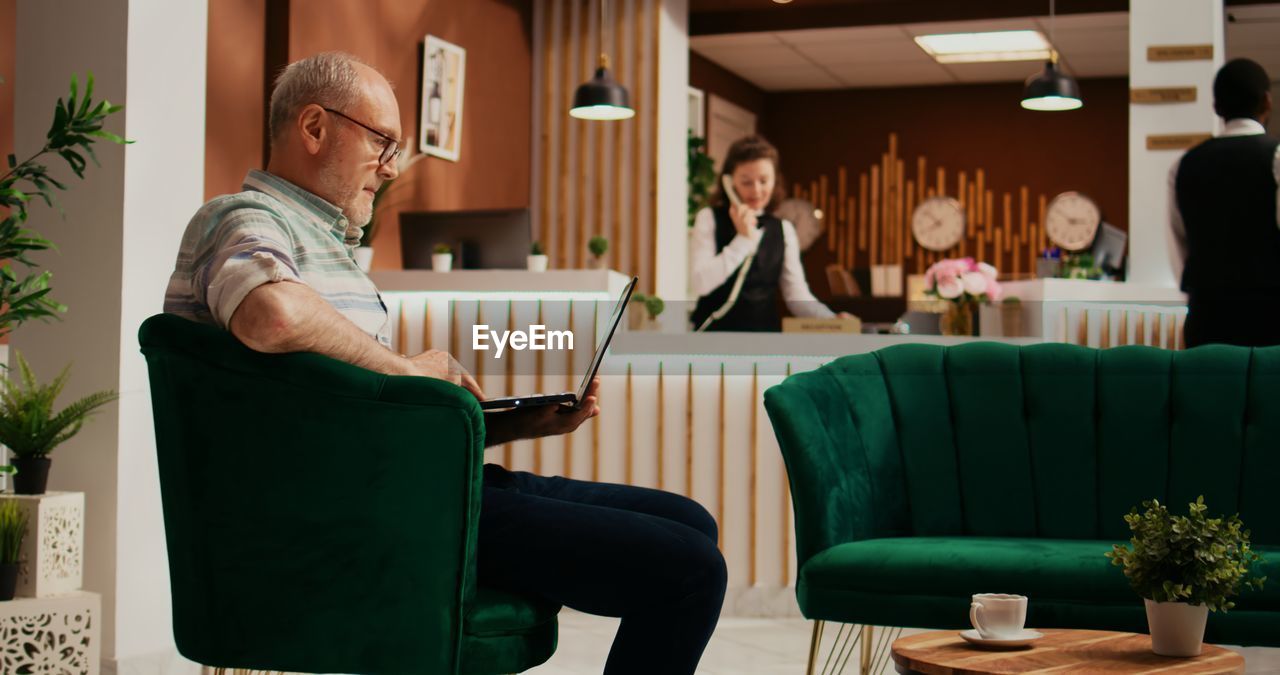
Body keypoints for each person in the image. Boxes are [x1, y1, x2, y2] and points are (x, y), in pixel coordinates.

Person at [164, 52, 725, 674]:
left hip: (405, 489)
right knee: (689, 570)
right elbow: (272, 316)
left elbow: (345, 410)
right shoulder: (243, 218)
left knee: (688, 520)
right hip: (362, 515)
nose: (392, 166)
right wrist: (406, 369)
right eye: (382, 142)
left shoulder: (328, 245)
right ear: (315, 127)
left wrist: (511, 423)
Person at [1171, 57, 1280, 348]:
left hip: (1206, 317)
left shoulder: (1184, 164)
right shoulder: (1277, 157)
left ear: (1216, 107)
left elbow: (1179, 247)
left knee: (1208, 394)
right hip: (1270, 317)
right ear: (1267, 102)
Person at [690, 135, 844, 331]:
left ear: (775, 180)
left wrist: (832, 319)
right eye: (746, 182)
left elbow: (796, 294)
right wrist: (743, 240)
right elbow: (700, 283)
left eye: (764, 180)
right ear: (729, 181)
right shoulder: (709, 218)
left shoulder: (783, 230)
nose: (756, 190)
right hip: (713, 337)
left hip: (763, 338)